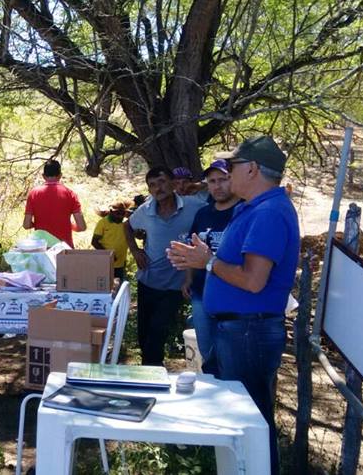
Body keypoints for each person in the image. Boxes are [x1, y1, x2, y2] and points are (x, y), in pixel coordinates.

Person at [168, 136, 299, 475]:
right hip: (237, 328)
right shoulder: (253, 208)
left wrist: (208, 262)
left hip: (248, 331)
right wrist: (200, 260)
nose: (228, 172)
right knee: (241, 418)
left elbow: (254, 280)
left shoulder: (269, 213)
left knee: (250, 422)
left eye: (235, 166)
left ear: (253, 170)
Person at [124, 166, 204, 366]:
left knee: (157, 333)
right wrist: (135, 251)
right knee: (144, 336)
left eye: (161, 182)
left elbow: (222, 195)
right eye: (152, 185)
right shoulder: (145, 211)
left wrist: (199, 184)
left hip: (176, 285)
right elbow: (127, 226)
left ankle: (152, 375)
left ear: (172, 183)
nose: (158, 188)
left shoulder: (193, 205)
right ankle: (150, 373)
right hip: (148, 280)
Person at [179, 159, 240, 376]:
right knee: (207, 352)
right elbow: (191, 247)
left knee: (231, 356)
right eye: (212, 181)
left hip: (232, 294)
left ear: (233, 180)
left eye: (222, 180)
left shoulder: (243, 211)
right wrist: (188, 278)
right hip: (201, 292)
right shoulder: (203, 213)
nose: (217, 186)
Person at [23, 159, 87, 248]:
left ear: (43, 176)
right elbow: (82, 227)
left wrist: (36, 224)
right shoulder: (70, 194)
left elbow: (26, 225)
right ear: (60, 175)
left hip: (42, 249)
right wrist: (71, 226)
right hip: (64, 249)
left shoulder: (33, 194)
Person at [91, 200, 132, 284]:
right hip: (105, 262)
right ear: (111, 212)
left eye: (122, 214)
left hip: (120, 262)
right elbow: (94, 242)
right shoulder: (103, 222)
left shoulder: (125, 223)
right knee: (104, 284)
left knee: (117, 285)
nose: (120, 216)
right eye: (117, 214)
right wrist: (108, 255)